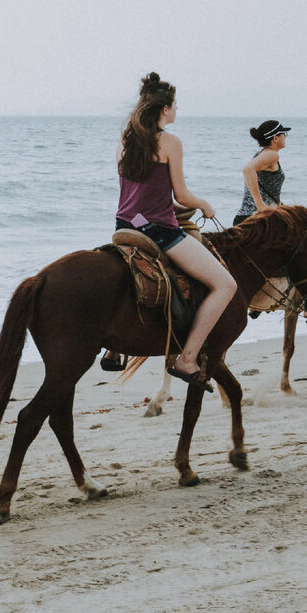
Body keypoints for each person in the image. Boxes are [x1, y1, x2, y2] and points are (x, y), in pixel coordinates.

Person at [113, 72, 237, 383]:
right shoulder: (170, 142)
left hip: (124, 225)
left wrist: (176, 207)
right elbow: (181, 194)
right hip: (158, 231)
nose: (177, 111)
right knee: (226, 285)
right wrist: (204, 204)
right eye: (175, 105)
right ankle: (188, 358)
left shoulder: (125, 141)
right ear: (165, 109)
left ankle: (114, 348)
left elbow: (139, 194)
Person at [233, 120, 291, 225]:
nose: (286, 137)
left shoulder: (261, 154)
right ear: (275, 138)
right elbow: (247, 170)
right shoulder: (272, 154)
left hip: (246, 217)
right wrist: (260, 204)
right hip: (257, 220)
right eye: (284, 134)